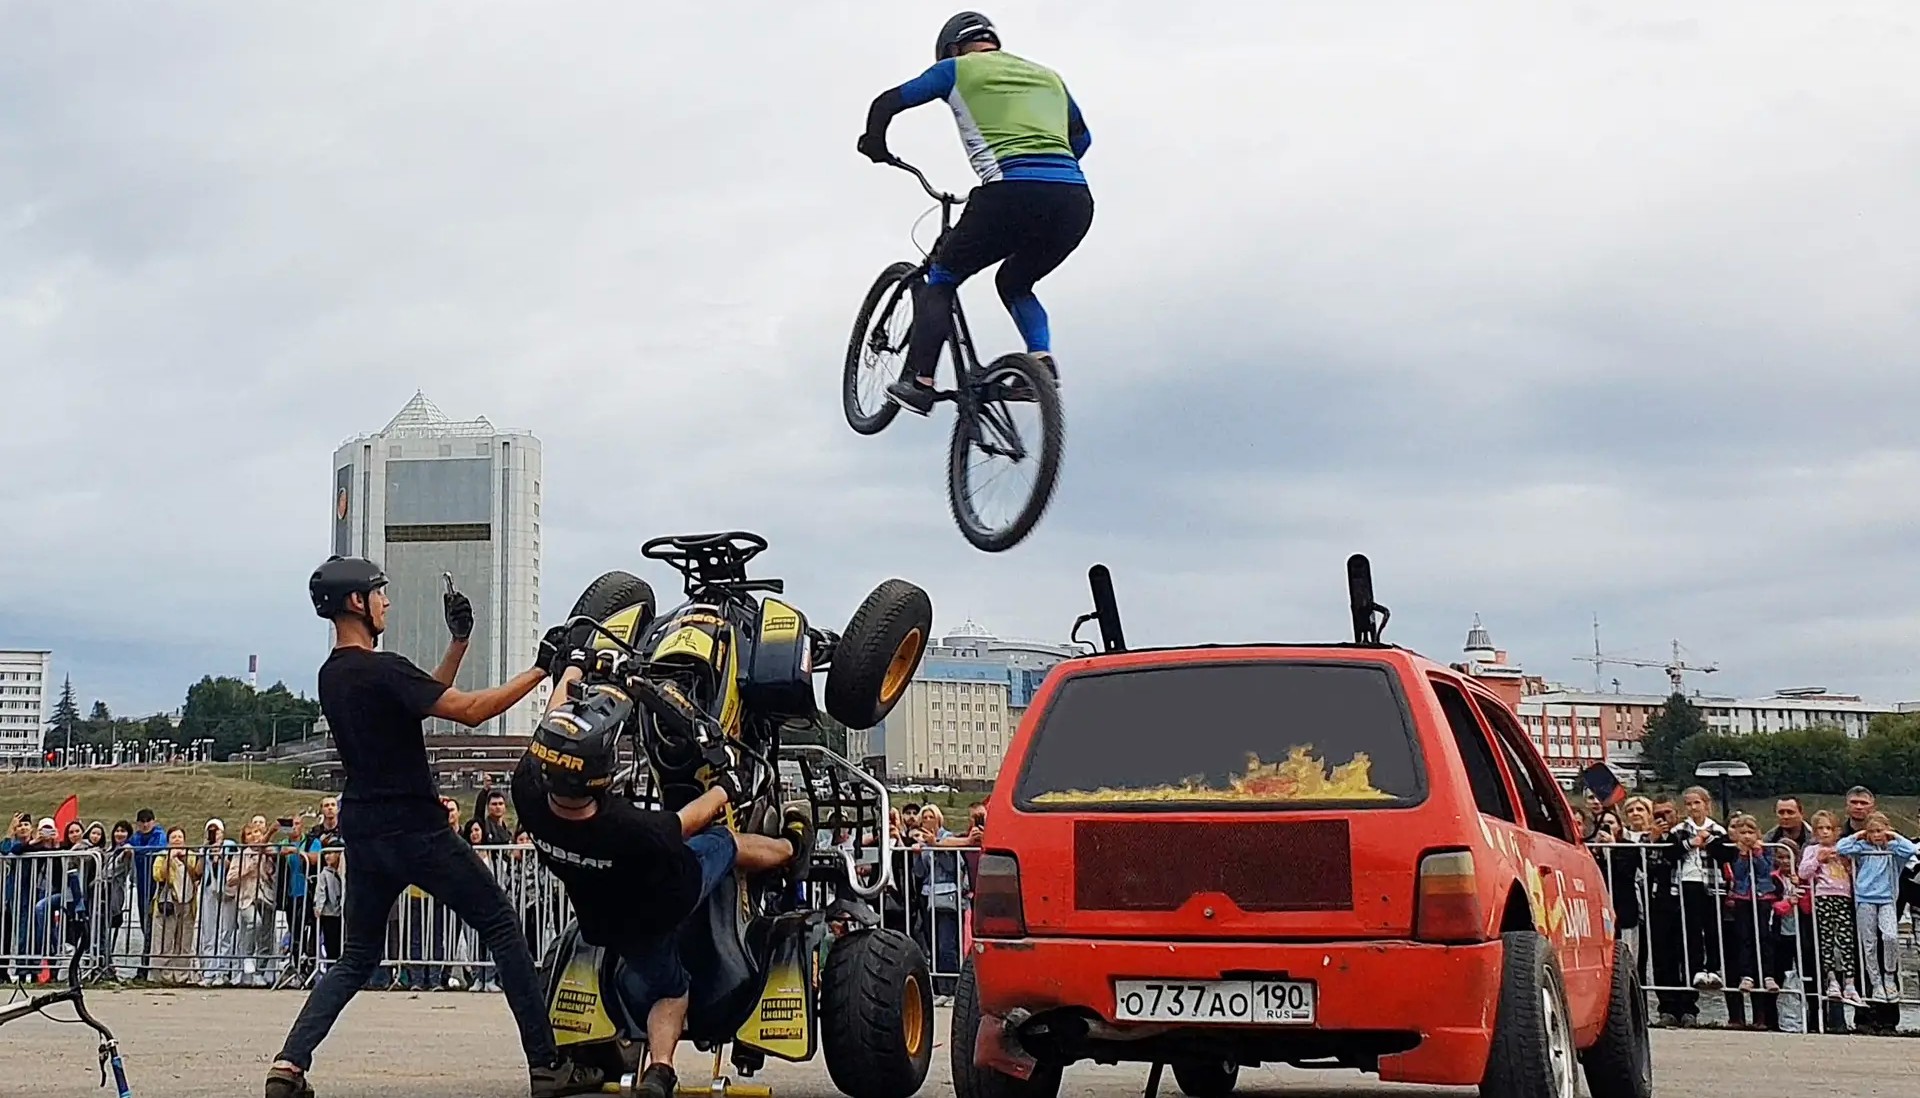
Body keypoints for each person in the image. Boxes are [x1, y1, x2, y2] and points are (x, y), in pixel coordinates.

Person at [264, 555, 602, 1098]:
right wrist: (543, 669)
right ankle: (546, 1065)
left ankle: (289, 1064)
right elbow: (469, 711)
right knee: (501, 926)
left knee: (356, 957)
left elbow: (423, 702)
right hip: (416, 828)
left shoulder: (334, 675)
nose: (387, 601)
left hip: (364, 830)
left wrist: (459, 643)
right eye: (379, 592)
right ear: (357, 601)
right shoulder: (384, 668)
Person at [512, 657, 812, 1098]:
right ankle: (791, 847)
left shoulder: (528, 795)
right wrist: (727, 786)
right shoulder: (630, 829)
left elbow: (551, 726)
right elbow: (688, 822)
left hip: (611, 923)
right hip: (673, 893)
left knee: (667, 986)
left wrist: (573, 669)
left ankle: (661, 1072)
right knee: (723, 842)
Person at [857, 11, 1094, 414]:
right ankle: (1040, 361)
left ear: (952, 48)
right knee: (1016, 282)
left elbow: (886, 103)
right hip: (1074, 201)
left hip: (1009, 190)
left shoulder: (954, 70)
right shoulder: (1049, 77)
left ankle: (920, 382)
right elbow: (1082, 140)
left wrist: (875, 144)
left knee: (941, 278)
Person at [1835, 812, 1917, 1006]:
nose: (1876, 835)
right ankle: (1876, 981)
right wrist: (1859, 835)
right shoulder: (1862, 848)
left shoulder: (1894, 849)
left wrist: (1893, 835)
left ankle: (1889, 976)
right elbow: (1841, 847)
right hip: (1865, 899)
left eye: (1879, 830)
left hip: (1887, 899)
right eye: (1872, 831)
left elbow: (1912, 849)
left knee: (1890, 936)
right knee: (1869, 942)